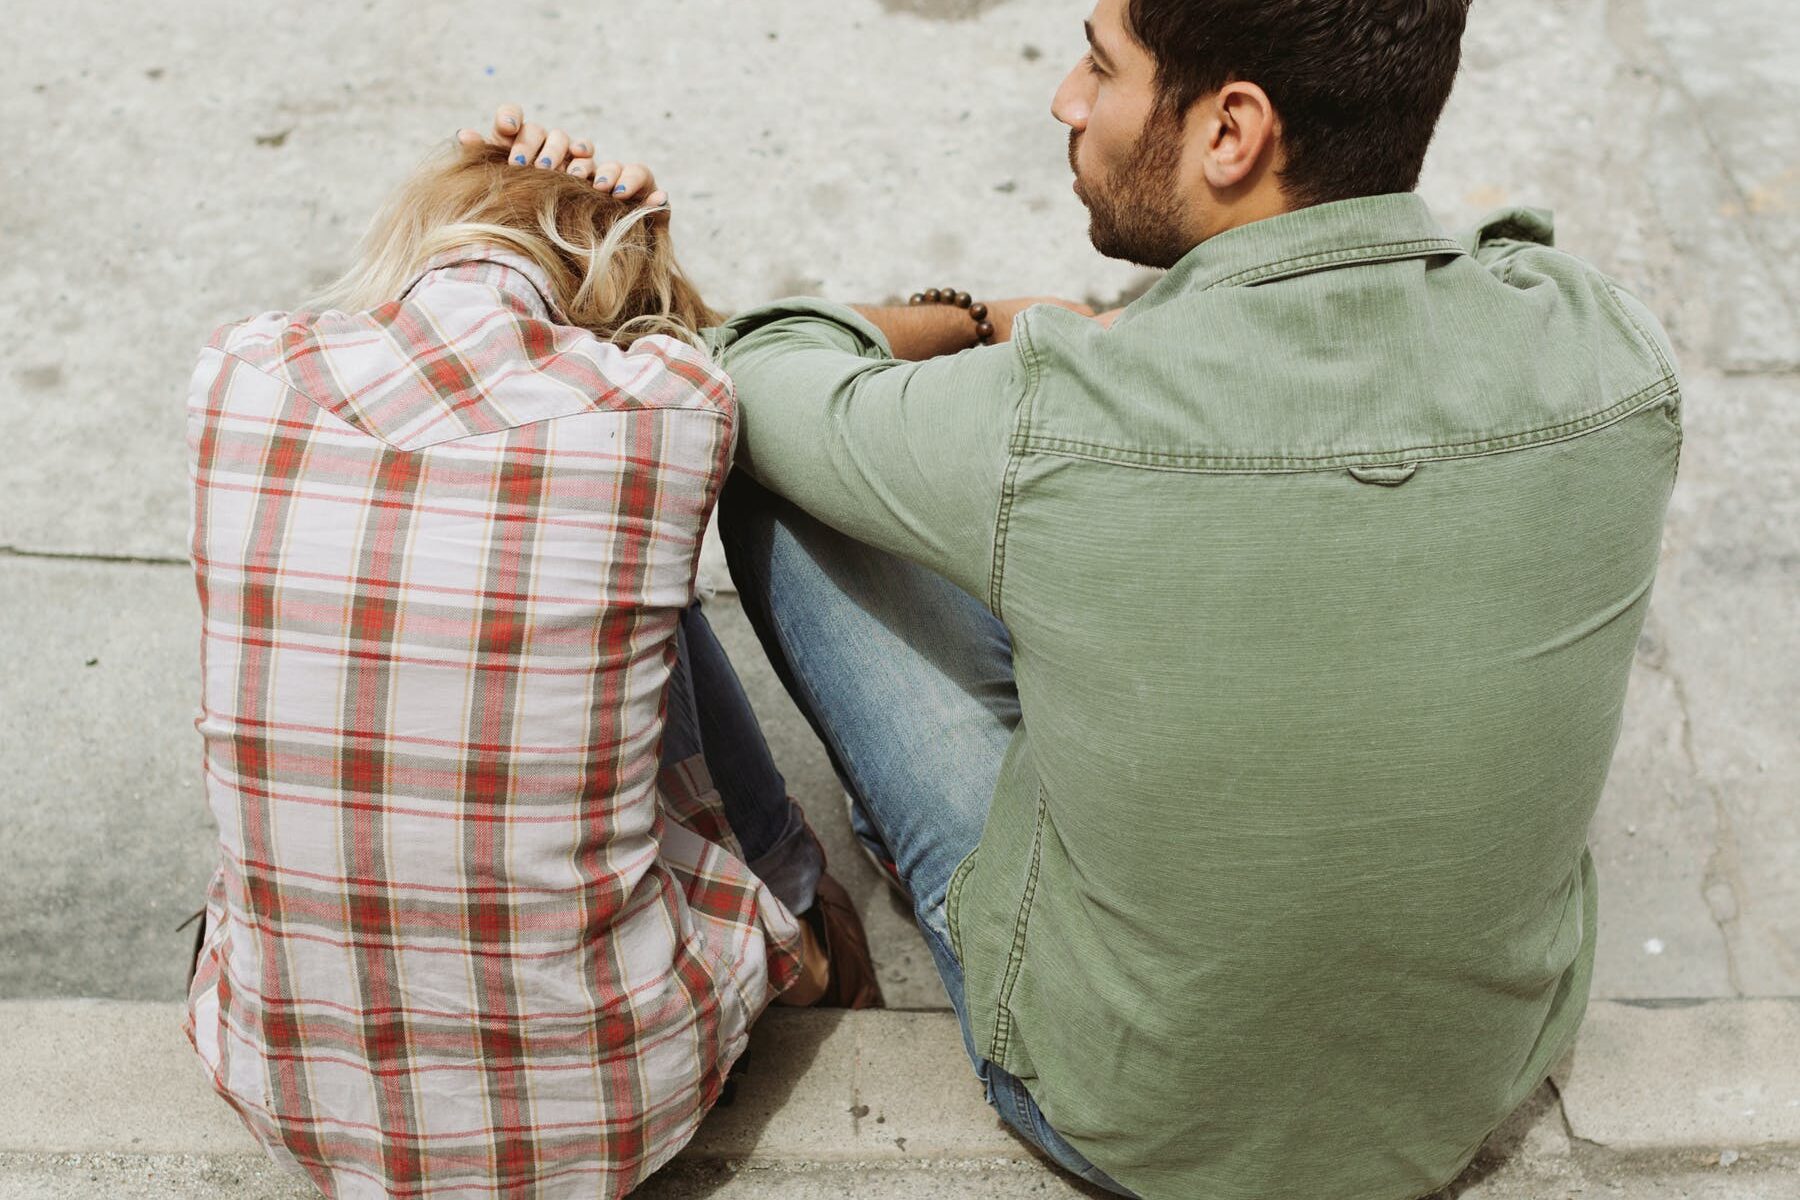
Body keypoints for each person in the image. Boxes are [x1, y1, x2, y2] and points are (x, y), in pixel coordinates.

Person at [499, 0, 1684, 1195]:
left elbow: (753, 363)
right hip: (1463, 1096)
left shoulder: (1060, 410)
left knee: (795, 489)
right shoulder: (1612, 353)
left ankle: (837, 899)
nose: (1068, 98)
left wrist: (984, 322)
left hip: (1120, 1115)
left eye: (1101, 66)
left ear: (1232, 132)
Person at [183, 139, 879, 1200]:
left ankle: (794, 907)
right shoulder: (669, 407)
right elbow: (694, 351)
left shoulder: (239, 374)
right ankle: (810, 926)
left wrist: (471, 179)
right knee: (625, 607)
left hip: (288, 1098)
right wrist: (629, 229)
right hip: (610, 1115)